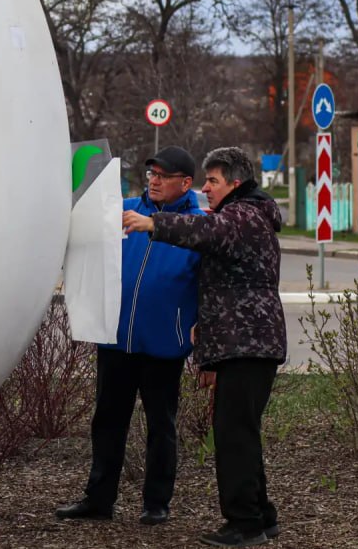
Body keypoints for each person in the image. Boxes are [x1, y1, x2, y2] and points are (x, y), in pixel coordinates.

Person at [121, 147, 286, 548]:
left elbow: (206, 233)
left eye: (212, 181)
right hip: (244, 344)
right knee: (241, 432)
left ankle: (244, 524)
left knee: (233, 436)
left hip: (247, 346)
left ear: (235, 182)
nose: (206, 189)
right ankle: (261, 516)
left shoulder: (243, 215)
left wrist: (152, 223)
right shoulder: (249, 214)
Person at [56, 145, 203, 526]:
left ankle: (156, 503)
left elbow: (208, 287)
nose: (153, 180)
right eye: (151, 173)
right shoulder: (119, 212)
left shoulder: (196, 226)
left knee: (161, 427)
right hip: (116, 339)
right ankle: (98, 500)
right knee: (106, 421)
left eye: (162, 175)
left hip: (163, 345)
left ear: (185, 183)